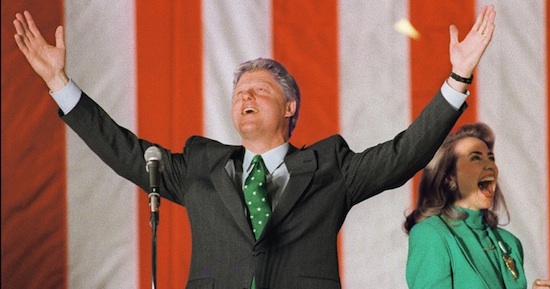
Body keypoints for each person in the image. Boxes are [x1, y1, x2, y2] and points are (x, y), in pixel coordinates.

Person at [14, 6, 495, 288]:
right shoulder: (198, 166)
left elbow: (403, 154)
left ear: (289, 108)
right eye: (239, 91)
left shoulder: (330, 169)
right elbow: (123, 151)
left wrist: (456, 80)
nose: (245, 96)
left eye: (259, 90)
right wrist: (60, 85)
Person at [404, 122, 550, 289]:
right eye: (475, 158)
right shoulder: (430, 234)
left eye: (491, 158)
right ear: (449, 177)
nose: (490, 165)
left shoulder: (509, 243)